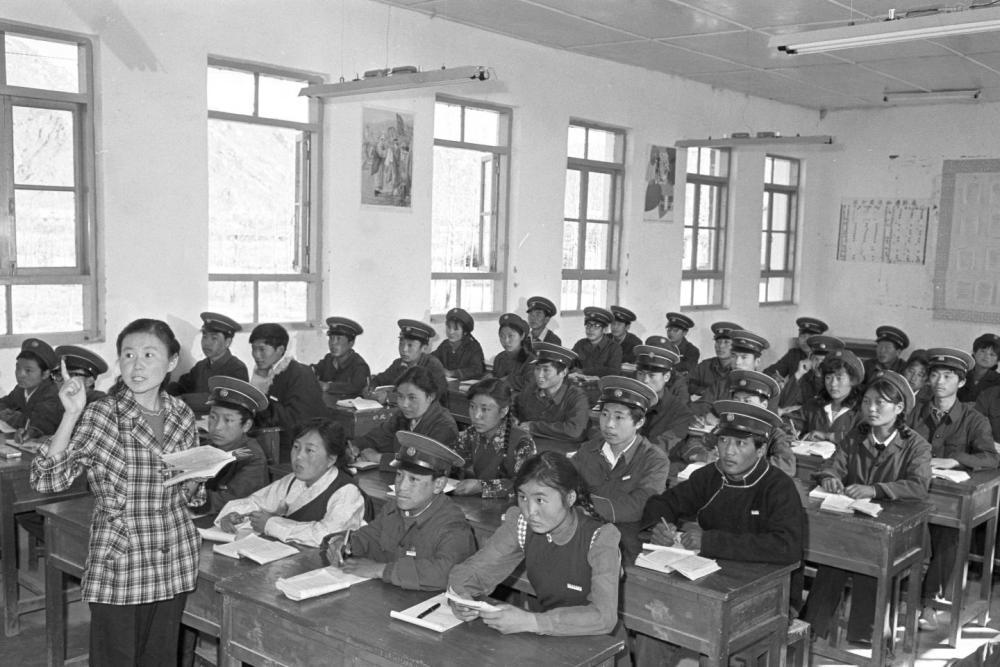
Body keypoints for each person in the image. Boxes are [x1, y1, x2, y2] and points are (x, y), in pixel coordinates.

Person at [30, 319, 202, 666]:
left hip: (173, 555)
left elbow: (187, 491)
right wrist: (71, 415)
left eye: (149, 355)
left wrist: (196, 480)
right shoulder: (103, 414)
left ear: (171, 361)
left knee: (161, 659)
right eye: (128, 355)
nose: (136, 365)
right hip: (122, 560)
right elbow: (46, 480)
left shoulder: (181, 414)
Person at [637, 400, 805, 665]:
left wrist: (711, 542)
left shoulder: (778, 487)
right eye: (724, 440)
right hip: (711, 582)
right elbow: (664, 502)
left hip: (768, 594)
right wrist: (660, 525)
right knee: (652, 630)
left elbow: (787, 546)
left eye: (741, 444)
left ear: (761, 450)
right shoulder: (711, 476)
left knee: (718, 648)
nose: (729, 451)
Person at [802, 370, 931, 646]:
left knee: (867, 559)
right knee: (834, 558)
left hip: (896, 531)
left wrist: (875, 490)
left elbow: (918, 486)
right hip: (853, 526)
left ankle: (866, 635)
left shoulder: (916, 445)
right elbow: (833, 463)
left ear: (899, 408)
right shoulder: (856, 435)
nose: (871, 409)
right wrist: (830, 477)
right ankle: (811, 629)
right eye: (867, 402)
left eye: (880, 403)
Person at [448, 451, 622, 637]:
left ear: (570, 498)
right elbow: (472, 571)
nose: (530, 511)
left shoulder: (600, 538)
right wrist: (461, 598)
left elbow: (603, 618)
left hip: (599, 642)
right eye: (523, 497)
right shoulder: (522, 524)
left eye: (540, 500)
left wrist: (533, 622)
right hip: (548, 635)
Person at [906, 348, 998, 631]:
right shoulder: (914, 412)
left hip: (948, 497)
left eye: (948, 376)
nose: (939, 381)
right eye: (935, 375)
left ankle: (929, 602)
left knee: (949, 536)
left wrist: (956, 459)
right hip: (910, 490)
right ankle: (891, 591)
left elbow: (991, 457)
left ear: (961, 382)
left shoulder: (974, 419)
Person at [325, 432, 476, 590]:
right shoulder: (393, 509)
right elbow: (370, 536)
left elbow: (446, 573)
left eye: (413, 479)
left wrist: (382, 570)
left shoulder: (453, 525)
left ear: (438, 484)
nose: (401, 487)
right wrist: (345, 544)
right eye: (399, 475)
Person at [215, 419, 366, 547]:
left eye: (309, 450)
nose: (298, 456)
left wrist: (271, 524)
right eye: (296, 447)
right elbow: (258, 501)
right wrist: (234, 515)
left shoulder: (347, 491)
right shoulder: (293, 480)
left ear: (331, 459)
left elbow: (327, 535)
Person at [572, 376, 668, 562]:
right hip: (581, 531)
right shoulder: (588, 450)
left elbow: (640, 505)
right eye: (604, 414)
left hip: (623, 543)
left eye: (619, 417)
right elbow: (564, 482)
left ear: (639, 423)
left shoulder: (654, 460)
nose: (609, 424)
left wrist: (587, 507)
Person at [249, 323, 328, 454]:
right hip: (269, 439)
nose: (256, 355)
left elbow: (298, 422)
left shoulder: (300, 374)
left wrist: (264, 404)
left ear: (280, 350)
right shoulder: (263, 372)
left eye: (262, 349)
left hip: (296, 447)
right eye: (253, 349)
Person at [355, 366, 459, 465]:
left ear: (430, 397)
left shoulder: (444, 426)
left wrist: (379, 458)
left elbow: (423, 463)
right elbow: (375, 438)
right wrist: (354, 448)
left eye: (412, 398)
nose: (404, 404)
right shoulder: (401, 417)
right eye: (400, 396)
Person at [452, 378, 536, 498]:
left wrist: (481, 487)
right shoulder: (471, 434)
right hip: (480, 504)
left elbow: (526, 485)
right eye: (472, 406)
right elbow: (454, 461)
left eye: (485, 409)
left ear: (503, 411)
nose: (476, 415)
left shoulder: (523, 442)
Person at [200, 376, 271, 514]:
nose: (217, 427)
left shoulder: (252, 457)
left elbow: (226, 502)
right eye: (213, 417)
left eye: (228, 420)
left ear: (246, 425)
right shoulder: (208, 447)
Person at [514, 342, 590, 453]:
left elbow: (574, 430)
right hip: (530, 446)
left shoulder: (577, 397)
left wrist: (533, 427)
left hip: (561, 452)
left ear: (563, 372)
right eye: (537, 368)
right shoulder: (531, 389)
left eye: (546, 370)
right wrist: (513, 419)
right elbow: (515, 406)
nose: (539, 375)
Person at [168, 312, 249, 397]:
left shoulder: (237, 369)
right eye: (204, 336)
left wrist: (186, 398)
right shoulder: (200, 366)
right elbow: (181, 386)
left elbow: (222, 400)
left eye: (214, 338)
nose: (206, 343)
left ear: (227, 342)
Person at [370, 319, 448, 405]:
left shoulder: (432, 365)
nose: (404, 349)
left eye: (410, 345)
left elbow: (430, 397)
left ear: (424, 348)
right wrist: (370, 389)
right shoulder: (398, 363)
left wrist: (389, 397)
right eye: (401, 343)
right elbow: (379, 380)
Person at [633, 344, 694, 454]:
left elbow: (661, 448)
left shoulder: (680, 412)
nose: (645, 380)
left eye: (652, 375)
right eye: (641, 374)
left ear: (666, 377)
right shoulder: (626, 402)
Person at [797, 349, 866, 446]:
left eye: (839, 378)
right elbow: (790, 423)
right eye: (828, 378)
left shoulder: (862, 410)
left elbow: (865, 437)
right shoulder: (814, 405)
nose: (833, 384)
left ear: (852, 380)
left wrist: (828, 436)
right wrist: (792, 433)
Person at [691, 329, 769, 414]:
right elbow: (702, 405)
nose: (737, 362)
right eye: (734, 356)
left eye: (744, 357)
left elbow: (769, 418)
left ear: (757, 362)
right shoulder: (722, 384)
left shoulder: (767, 388)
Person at [0, 337, 64, 436]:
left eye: (28, 370)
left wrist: (12, 417)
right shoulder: (21, 388)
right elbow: (4, 402)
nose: (20, 374)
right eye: (18, 368)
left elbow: (41, 425)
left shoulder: (53, 393)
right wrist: (5, 412)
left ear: (45, 374)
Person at [775, 334, 844, 411]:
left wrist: (799, 408)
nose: (819, 364)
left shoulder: (836, 382)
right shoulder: (805, 378)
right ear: (810, 360)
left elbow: (828, 408)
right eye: (816, 359)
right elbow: (784, 404)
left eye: (823, 360)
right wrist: (799, 373)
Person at [311, 316, 370, 402]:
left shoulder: (359, 366)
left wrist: (328, 386)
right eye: (331, 338)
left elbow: (355, 387)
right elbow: (315, 370)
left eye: (338, 339)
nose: (333, 343)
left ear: (351, 343)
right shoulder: (329, 359)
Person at [687, 321, 741, 397]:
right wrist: (704, 392)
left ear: (736, 345)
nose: (721, 346)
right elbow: (686, 383)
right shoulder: (705, 366)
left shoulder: (740, 368)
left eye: (726, 342)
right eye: (718, 342)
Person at [763, 316, 828, 380]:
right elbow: (769, 373)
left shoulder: (827, 357)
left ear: (819, 339)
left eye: (810, 337)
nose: (805, 341)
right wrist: (774, 377)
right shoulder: (793, 354)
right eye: (803, 336)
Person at [432, 307, 486, 381]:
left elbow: (477, 370)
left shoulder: (473, 347)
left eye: (456, 329)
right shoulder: (445, 344)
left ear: (465, 332)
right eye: (448, 328)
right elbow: (433, 358)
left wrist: (453, 373)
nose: (451, 332)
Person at [571, 307, 622, 378]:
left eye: (596, 326)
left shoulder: (614, 348)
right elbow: (570, 362)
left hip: (601, 384)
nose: (591, 330)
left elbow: (613, 372)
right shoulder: (580, 344)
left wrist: (584, 371)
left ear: (604, 329)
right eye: (588, 325)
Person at [490, 312, 535, 392]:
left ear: (522, 336)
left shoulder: (531, 360)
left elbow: (530, 385)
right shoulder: (499, 358)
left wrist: (507, 380)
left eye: (511, 336)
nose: (506, 341)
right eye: (502, 336)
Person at [957, 333, 1000, 403]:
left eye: (992, 354)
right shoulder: (959, 374)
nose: (986, 356)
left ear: (997, 361)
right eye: (983, 351)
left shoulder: (998, 381)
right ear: (974, 352)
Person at [664, 311, 699, 377]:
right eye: (669, 330)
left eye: (675, 330)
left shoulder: (692, 351)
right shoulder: (663, 347)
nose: (671, 333)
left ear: (684, 333)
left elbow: (687, 370)